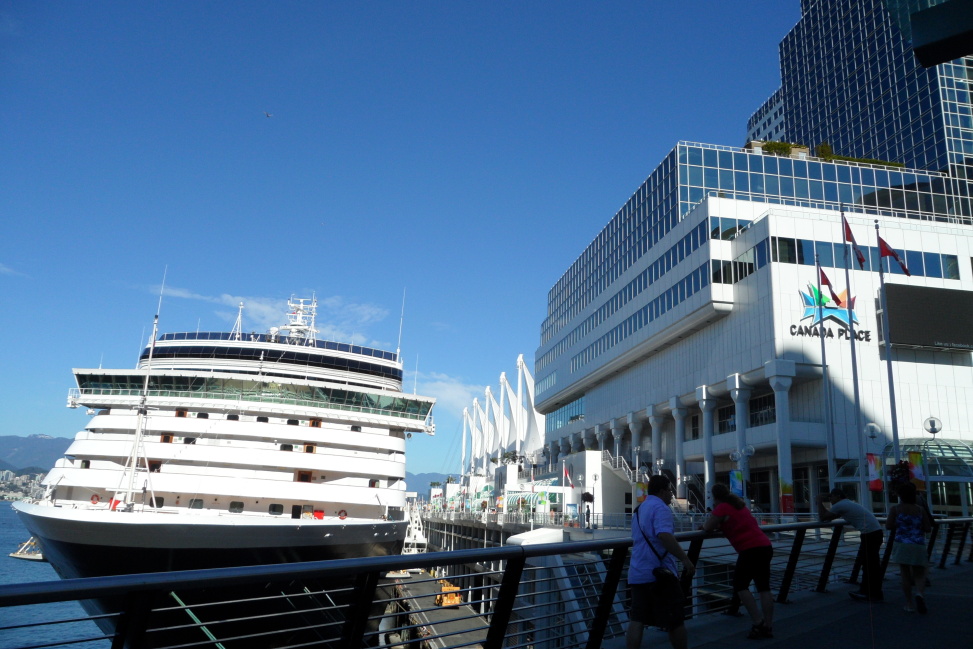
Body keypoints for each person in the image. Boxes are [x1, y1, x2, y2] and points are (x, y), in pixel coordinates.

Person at [626, 475, 696, 649]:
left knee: (637, 619)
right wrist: (685, 559)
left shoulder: (639, 509)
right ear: (663, 490)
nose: (672, 495)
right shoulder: (661, 508)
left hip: (638, 571)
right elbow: (664, 535)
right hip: (660, 574)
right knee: (675, 620)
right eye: (670, 491)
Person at [702, 483, 774, 639]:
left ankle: (758, 622)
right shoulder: (739, 505)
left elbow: (707, 527)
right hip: (764, 546)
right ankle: (768, 626)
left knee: (740, 585)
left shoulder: (721, 508)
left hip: (750, 549)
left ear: (715, 497)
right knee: (764, 588)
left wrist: (714, 521)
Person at [818, 488, 884, 602]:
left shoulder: (840, 505)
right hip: (875, 532)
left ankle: (868, 593)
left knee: (868, 565)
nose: (830, 500)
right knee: (872, 565)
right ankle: (874, 592)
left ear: (838, 496)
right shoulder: (847, 503)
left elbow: (823, 517)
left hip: (869, 534)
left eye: (831, 497)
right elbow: (830, 517)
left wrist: (819, 502)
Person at [886, 483, 932, 613]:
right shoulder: (919, 509)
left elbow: (888, 526)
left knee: (905, 574)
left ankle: (909, 603)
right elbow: (928, 528)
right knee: (920, 573)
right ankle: (920, 594)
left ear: (900, 495)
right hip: (918, 543)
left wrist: (900, 524)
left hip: (901, 543)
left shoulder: (896, 509)